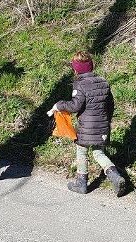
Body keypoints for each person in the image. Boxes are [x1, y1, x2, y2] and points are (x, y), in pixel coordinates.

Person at [48, 51, 127, 196]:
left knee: (81, 151)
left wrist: (59, 105)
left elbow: (75, 106)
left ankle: (81, 183)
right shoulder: (103, 81)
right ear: (91, 66)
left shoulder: (79, 84)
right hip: (103, 124)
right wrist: (107, 121)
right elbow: (110, 105)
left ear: (76, 69)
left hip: (86, 126)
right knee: (98, 152)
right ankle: (115, 176)